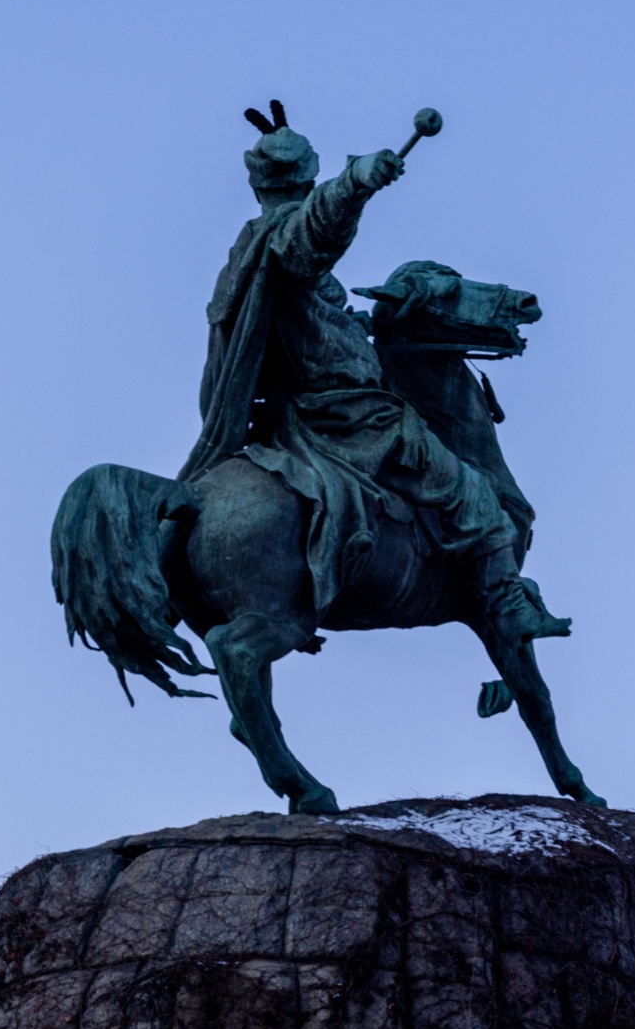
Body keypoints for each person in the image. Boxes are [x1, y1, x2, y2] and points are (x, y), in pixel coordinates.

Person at [179, 101, 566, 644]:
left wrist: (354, 328)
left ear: (256, 184)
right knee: (474, 495)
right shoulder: (285, 234)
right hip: (353, 416)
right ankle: (507, 602)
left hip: (302, 413)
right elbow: (314, 232)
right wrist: (356, 180)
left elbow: (310, 319)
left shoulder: (246, 252)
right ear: (309, 179)